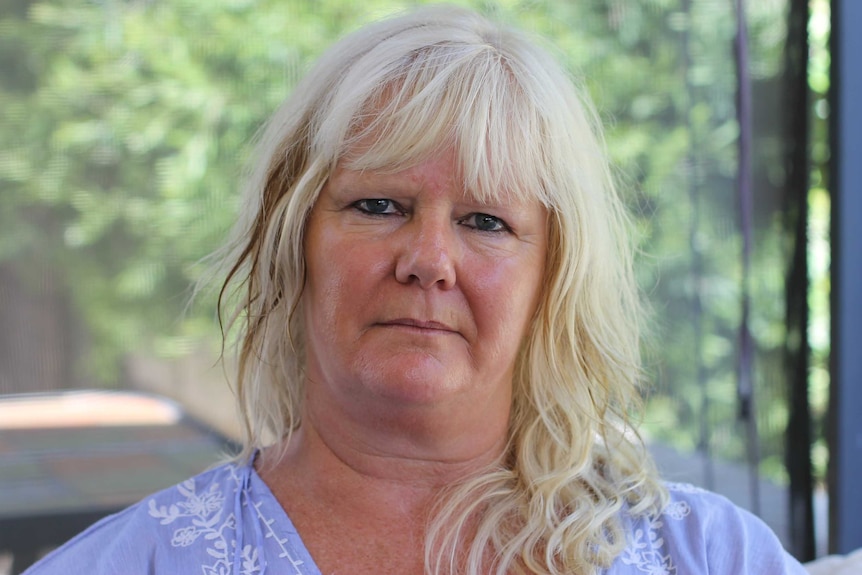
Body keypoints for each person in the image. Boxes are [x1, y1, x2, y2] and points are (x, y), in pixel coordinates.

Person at [26, 5, 808, 574]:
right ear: (292, 240)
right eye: (379, 206)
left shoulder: (711, 555)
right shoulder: (133, 562)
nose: (429, 258)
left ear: (551, 277)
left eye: (485, 221)